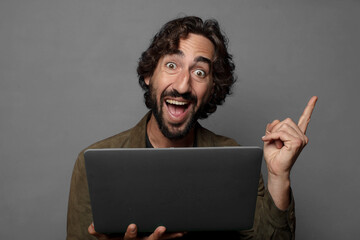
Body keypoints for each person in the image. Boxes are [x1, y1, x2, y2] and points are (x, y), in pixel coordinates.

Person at [67, 16, 318, 240]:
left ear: (212, 89)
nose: (184, 85)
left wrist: (278, 177)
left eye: (199, 72)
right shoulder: (93, 164)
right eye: (171, 65)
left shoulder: (232, 160)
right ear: (148, 75)